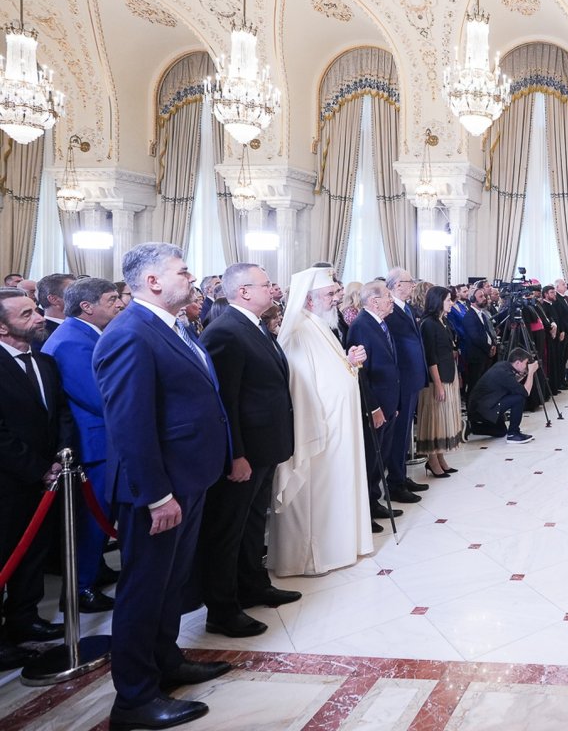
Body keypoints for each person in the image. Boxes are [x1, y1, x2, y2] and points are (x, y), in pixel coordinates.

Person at [93, 243, 232, 730]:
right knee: (144, 589)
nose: (191, 278)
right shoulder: (129, 333)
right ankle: (134, 698)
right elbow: (129, 425)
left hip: (188, 477)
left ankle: (166, 661)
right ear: (152, 281)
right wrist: (156, 495)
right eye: (182, 271)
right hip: (157, 489)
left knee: (171, 583)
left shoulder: (173, 325)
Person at [196, 263, 300, 640]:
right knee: (228, 529)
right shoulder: (226, 331)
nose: (272, 289)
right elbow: (225, 400)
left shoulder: (253, 325)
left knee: (254, 520)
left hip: (265, 445)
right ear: (243, 291)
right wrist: (235, 454)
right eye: (265, 284)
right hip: (246, 451)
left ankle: (253, 584)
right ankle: (222, 609)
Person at [271, 266, 376, 570]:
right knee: (319, 497)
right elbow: (302, 390)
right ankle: (312, 558)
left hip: (339, 429)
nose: (336, 298)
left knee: (338, 490)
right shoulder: (299, 332)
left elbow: (331, 374)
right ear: (308, 300)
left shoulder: (321, 326)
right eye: (329, 294)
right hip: (319, 433)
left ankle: (340, 547)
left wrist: (350, 362)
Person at [0, 288, 74, 672]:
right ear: (2, 327)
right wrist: (36, 468)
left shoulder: (45, 361)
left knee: (33, 553)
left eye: (36, 310)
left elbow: (61, 412)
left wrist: (61, 455)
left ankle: (25, 619)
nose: (39, 317)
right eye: (26, 314)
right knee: (5, 555)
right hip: (9, 483)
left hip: (48, 479)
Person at [41, 277, 122, 615]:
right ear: (87, 307)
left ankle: (92, 575)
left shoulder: (84, 334)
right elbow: (98, 396)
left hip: (101, 441)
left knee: (98, 520)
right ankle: (81, 589)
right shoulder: (73, 341)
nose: (120, 304)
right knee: (91, 520)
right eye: (111, 299)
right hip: (94, 444)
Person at [348, 280, 410, 516]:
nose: (391, 300)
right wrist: (373, 408)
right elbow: (360, 373)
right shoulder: (361, 326)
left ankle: (374, 502)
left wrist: (395, 403)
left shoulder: (380, 322)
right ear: (374, 301)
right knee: (371, 459)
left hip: (388, 402)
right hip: (375, 405)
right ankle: (368, 508)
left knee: (381, 457)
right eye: (387, 296)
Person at [383, 268, 429, 500]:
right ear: (397, 285)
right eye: (410, 282)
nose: (413, 285)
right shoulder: (389, 310)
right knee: (399, 432)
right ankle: (395, 482)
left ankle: (401, 475)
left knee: (405, 431)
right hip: (401, 379)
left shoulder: (406, 308)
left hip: (413, 377)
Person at [417, 286, 462, 477]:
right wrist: (437, 384)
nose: (451, 303)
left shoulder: (442, 321)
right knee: (434, 419)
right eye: (448, 300)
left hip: (448, 374)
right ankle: (432, 460)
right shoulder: (428, 324)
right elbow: (431, 356)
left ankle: (440, 457)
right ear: (438, 301)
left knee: (443, 420)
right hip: (436, 379)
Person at [467, 347, 538, 442]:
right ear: (518, 363)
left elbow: (513, 384)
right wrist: (531, 372)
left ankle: (471, 427)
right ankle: (513, 434)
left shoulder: (503, 366)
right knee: (519, 398)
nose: (527, 366)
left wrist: (525, 373)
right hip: (483, 410)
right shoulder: (504, 374)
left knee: (501, 431)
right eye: (526, 363)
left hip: (481, 408)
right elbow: (526, 392)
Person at [33, 272, 75, 349]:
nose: (80, 296)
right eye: (74, 292)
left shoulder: (81, 326)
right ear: (54, 299)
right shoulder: (41, 335)